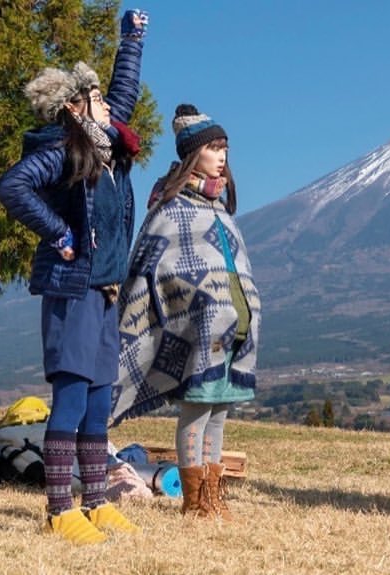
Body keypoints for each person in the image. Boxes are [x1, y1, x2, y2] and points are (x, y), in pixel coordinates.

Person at [0, 10, 149, 544]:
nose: (110, 106)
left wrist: (131, 39)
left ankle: (96, 502)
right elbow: (13, 187)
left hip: (106, 292)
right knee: (72, 397)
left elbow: (124, 93)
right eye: (98, 99)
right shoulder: (62, 152)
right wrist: (59, 233)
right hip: (73, 290)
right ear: (75, 107)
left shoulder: (107, 150)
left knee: (100, 398)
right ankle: (60, 510)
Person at [110, 104, 261, 521]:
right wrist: (200, 305)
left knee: (218, 412)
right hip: (197, 332)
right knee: (196, 410)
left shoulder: (219, 208)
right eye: (214, 147)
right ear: (194, 154)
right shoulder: (172, 208)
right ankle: (195, 500)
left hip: (233, 330)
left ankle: (212, 494)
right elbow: (156, 269)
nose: (222, 155)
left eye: (225, 147)